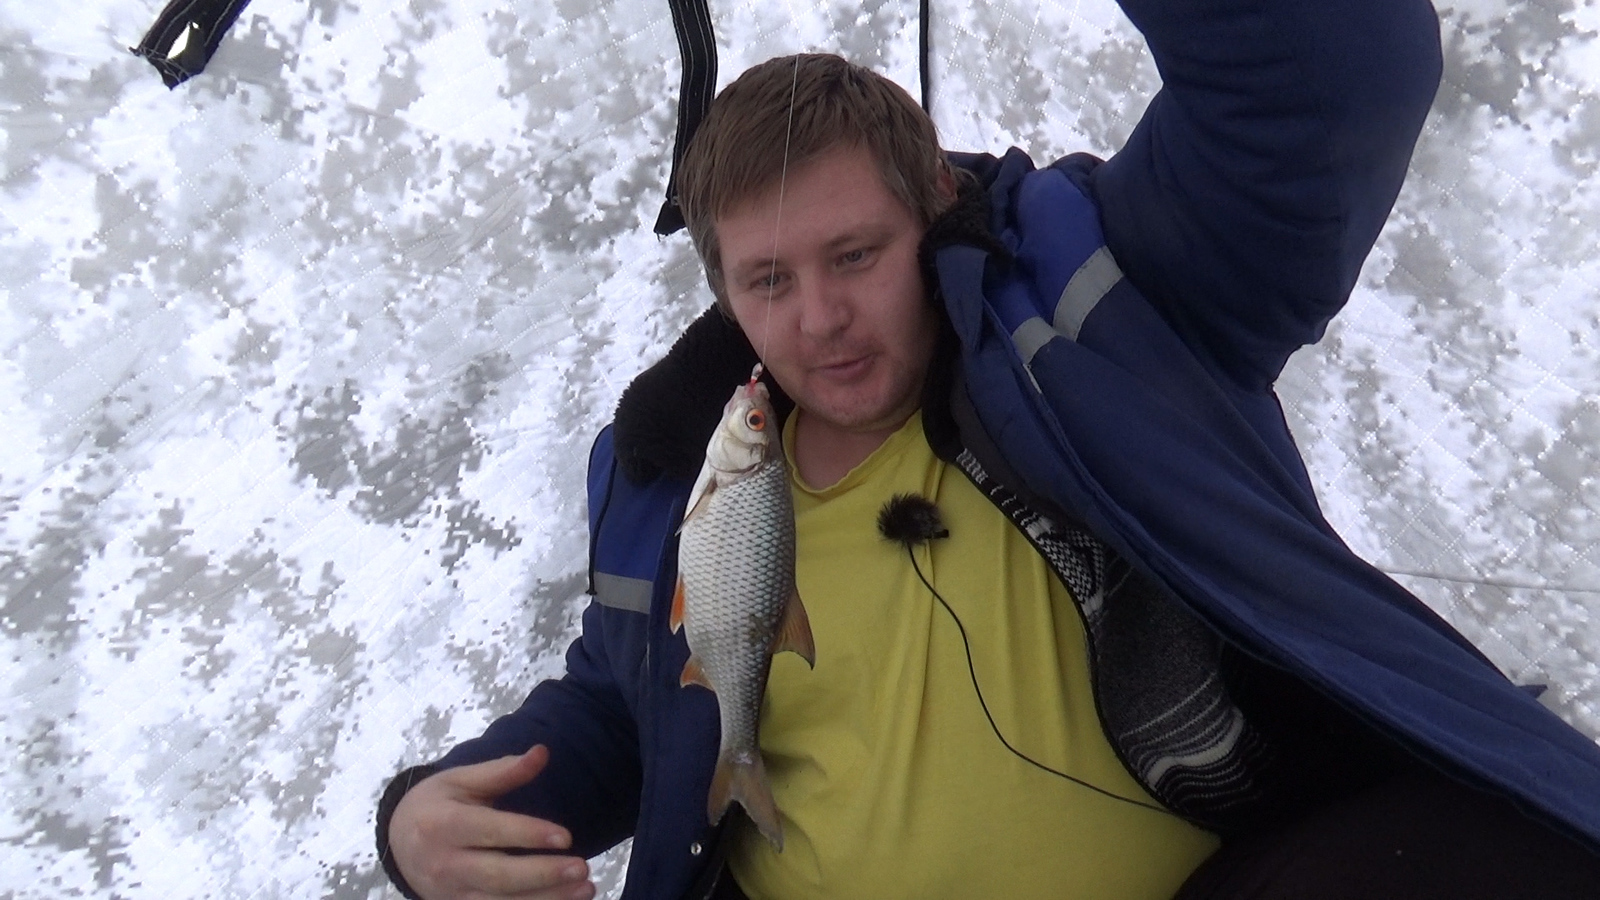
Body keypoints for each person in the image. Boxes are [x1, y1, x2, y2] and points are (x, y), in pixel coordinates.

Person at [375, 0, 1600, 897]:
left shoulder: (1106, 306)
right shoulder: (671, 478)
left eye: (854, 255)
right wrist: (423, 820)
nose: (818, 317)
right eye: (767, 280)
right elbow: (617, 706)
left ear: (932, 213)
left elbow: (1332, 65)